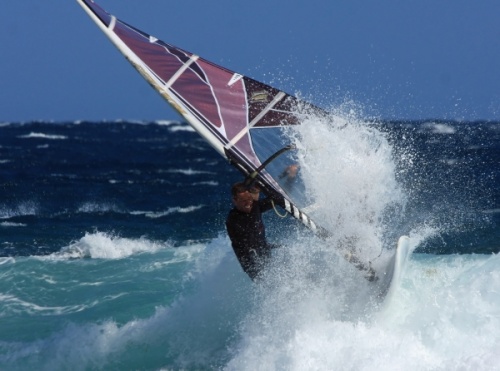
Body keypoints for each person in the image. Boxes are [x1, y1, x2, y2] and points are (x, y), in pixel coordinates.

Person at [226, 182, 277, 280]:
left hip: (263, 250)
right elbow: (248, 236)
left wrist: (289, 176)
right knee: (267, 283)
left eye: (249, 199)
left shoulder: (255, 206)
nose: (248, 203)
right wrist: (255, 192)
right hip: (250, 261)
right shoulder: (233, 219)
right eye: (243, 200)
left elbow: (277, 199)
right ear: (235, 201)